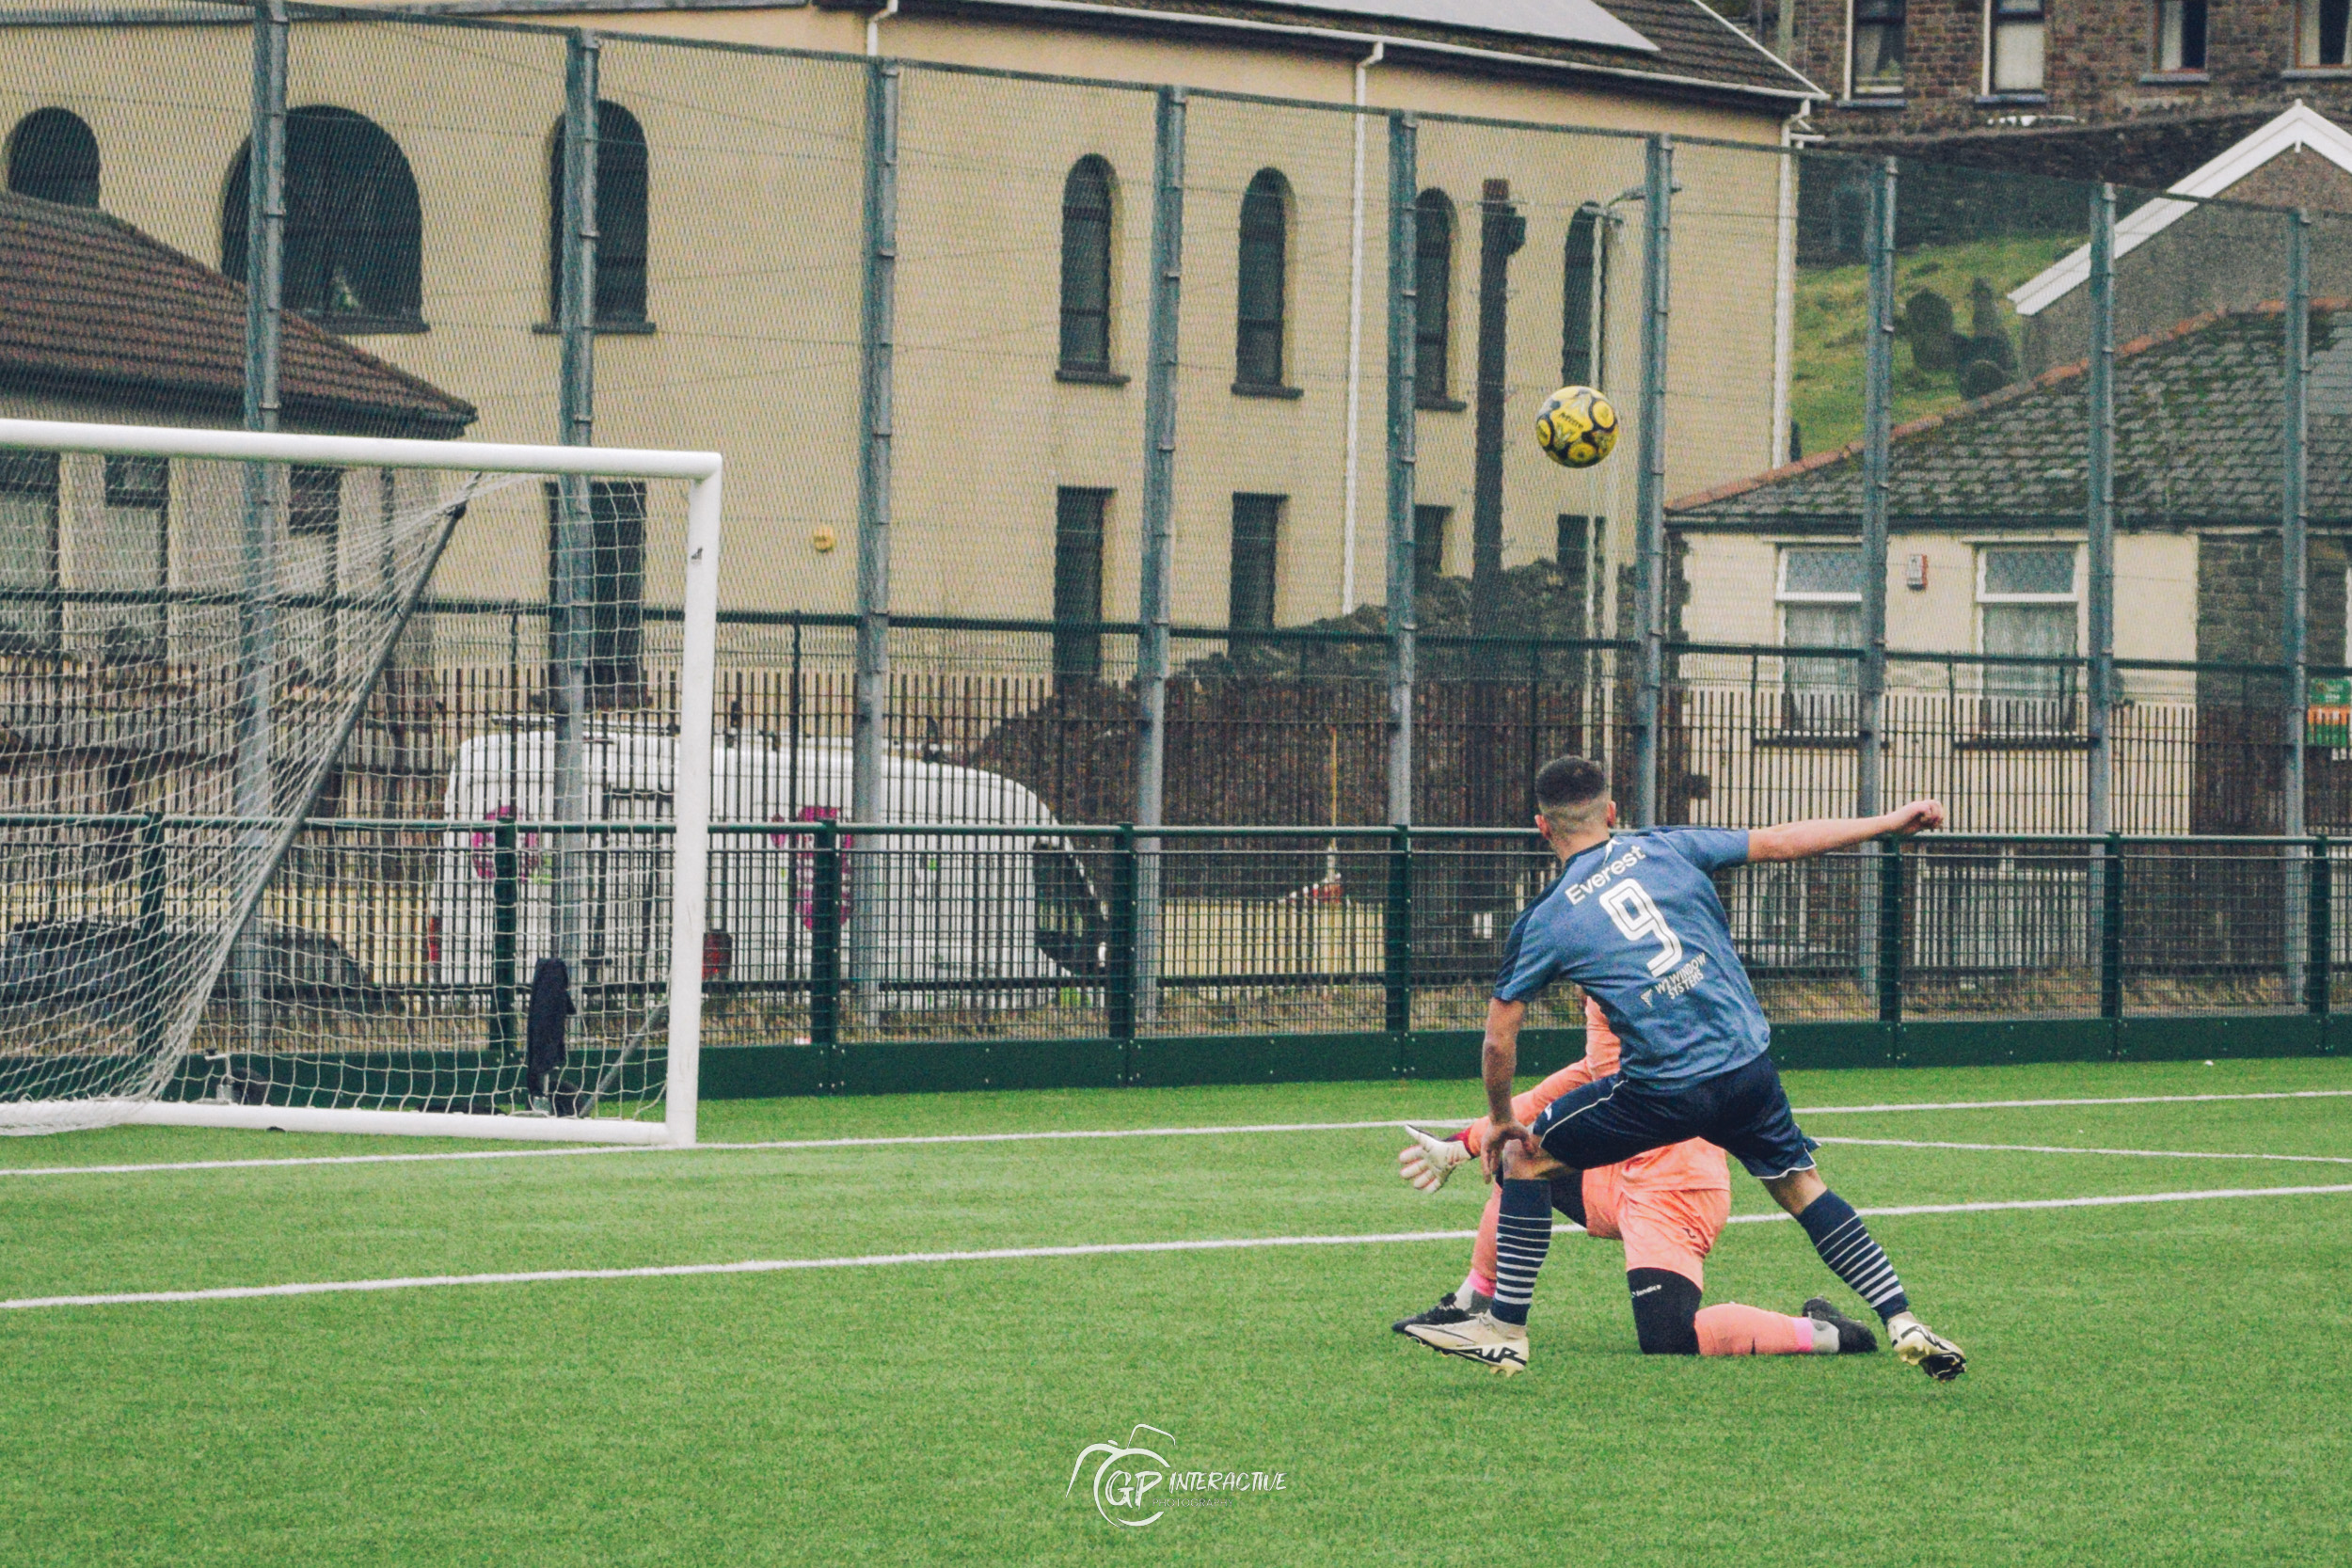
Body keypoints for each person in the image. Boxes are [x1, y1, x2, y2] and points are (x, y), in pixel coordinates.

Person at [1401, 754, 1967, 1381]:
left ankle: (1504, 1330)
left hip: (1667, 1093)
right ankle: (1901, 1317)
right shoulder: (1668, 845)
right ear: (1612, 811)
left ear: (1543, 828)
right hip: (1748, 1068)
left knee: (1524, 1155)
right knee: (1805, 1189)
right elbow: (1783, 841)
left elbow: (1497, 1041)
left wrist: (1501, 1119)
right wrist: (1888, 822)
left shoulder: (1550, 917)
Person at [1391, 997, 1877, 1362]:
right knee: (1519, 1158)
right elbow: (1573, 1081)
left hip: (1675, 1192)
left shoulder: (1647, 993)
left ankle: (1826, 1332)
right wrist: (1465, 1143)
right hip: (1618, 1177)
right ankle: (1474, 1302)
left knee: (1668, 1337)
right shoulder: (1607, 990)